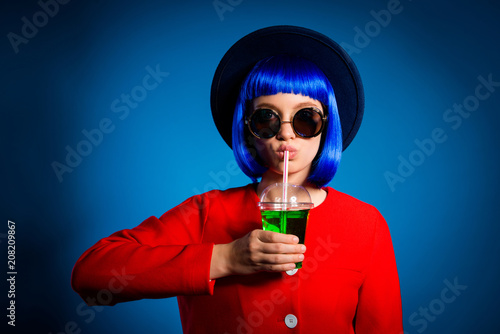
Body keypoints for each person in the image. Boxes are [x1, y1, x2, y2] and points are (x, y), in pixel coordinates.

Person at [71, 26, 403, 333]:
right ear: (247, 129)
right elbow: (91, 275)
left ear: (326, 126)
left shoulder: (366, 225)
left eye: (305, 119)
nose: (286, 134)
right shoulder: (206, 213)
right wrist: (227, 258)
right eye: (266, 119)